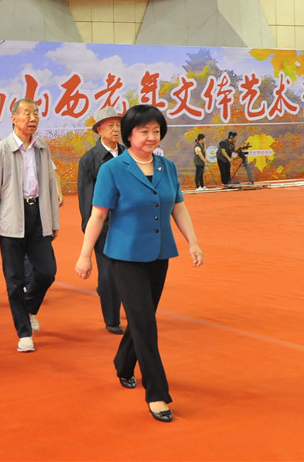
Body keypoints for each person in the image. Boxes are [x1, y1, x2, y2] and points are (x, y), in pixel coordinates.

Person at [75, 105, 203, 423]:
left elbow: (178, 207)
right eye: (143, 131)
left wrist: (193, 242)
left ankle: (123, 362)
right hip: (125, 257)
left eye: (156, 131)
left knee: (141, 319)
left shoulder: (166, 167)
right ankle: (157, 393)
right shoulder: (113, 169)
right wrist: (85, 254)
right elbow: (98, 215)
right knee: (145, 324)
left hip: (159, 254)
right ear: (129, 134)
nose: (151, 137)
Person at [0, 98, 59, 353]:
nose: (32, 118)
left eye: (35, 113)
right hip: (11, 218)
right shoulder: (1, 150)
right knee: (14, 278)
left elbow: (49, 185)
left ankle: (29, 307)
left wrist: (53, 220)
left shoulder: (42, 148)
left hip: (38, 214)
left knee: (47, 271)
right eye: (27, 113)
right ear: (14, 118)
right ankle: (24, 332)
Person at [77, 106, 125, 335]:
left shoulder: (128, 154)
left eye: (118, 125)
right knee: (108, 273)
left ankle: (117, 301)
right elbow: (86, 198)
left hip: (127, 224)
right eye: (111, 126)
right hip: (103, 225)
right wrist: (89, 229)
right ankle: (112, 319)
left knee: (127, 271)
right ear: (99, 130)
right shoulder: (89, 160)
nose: (116, 129)